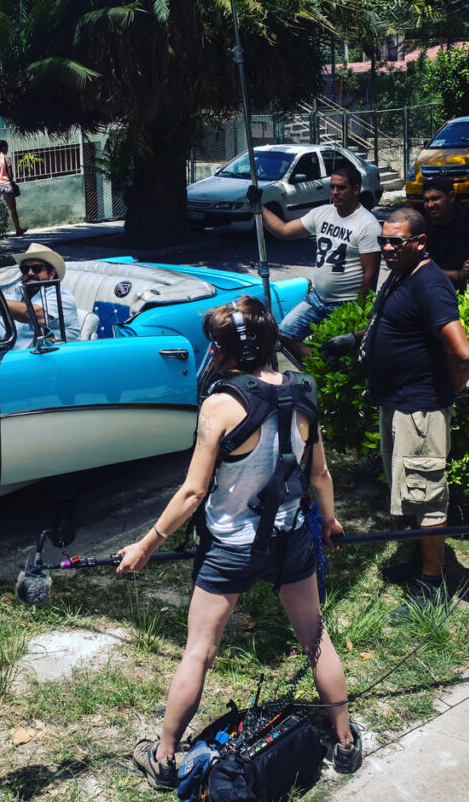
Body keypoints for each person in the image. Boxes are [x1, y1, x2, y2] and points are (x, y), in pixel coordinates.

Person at [116, 297, 362, 792]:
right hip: (290, 536)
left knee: (200, 651)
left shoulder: (221, 404)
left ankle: (164, 757)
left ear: (227, 350)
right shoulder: (304, 391)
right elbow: (319, 472)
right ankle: (345, 743)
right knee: (315, 637)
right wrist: (331, 521)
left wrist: (146, 544)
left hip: (231, 546)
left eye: (215, 343)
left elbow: (192, 492)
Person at [321, 208, 469, 611]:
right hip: (396, 403)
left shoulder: (431, 284)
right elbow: (390, 324)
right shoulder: (400, 274)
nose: (386, 248)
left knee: (427, 498)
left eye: (396, 241)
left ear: (419, 243)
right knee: (407, 493)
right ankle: (415, 559)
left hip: (420, 409)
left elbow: (461, 352)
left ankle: (432, 583)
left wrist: (454, 391)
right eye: (384, 240)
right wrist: (351, 339)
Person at [258, 163, 381, 357]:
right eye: (332, 187)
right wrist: (260, 207)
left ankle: (326, 368)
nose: (335, 192)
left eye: (341, 187)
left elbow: (370, 274)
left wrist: (361, 314)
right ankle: (319, 366)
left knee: (340, 349)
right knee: (284, 333)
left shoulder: (367, 224)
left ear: (356, 189)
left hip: (345, 303)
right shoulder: (322, 213)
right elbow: (283, 230)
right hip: (318, 298)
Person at [0, 242, 80, 349]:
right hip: (14, 361)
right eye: (25, 269)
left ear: (51, 274)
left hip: (47, 364)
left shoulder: (62, 297)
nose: (30, 273)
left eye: (36, 268)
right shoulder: (17, 294)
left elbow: (31, 314)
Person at [422, 118, 469, 288]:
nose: (430, 205)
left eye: (436, 198)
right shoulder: (420, 227)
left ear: (451, 197)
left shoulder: (467, 219)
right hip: (429, 293)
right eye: (426, 200)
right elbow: (419, 270)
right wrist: (459, 275)